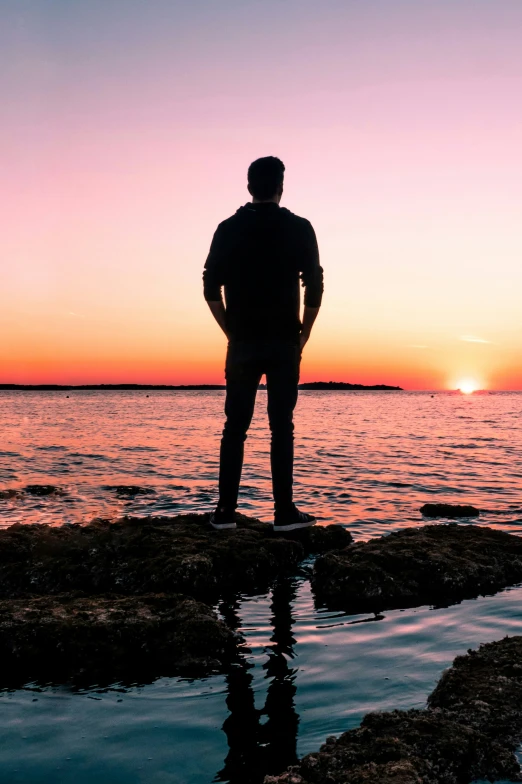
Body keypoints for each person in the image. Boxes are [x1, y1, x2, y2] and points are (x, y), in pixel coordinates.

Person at [203, 156, 323, 532]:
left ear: (249, 186)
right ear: (280, 186)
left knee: (234, 427)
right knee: (281, 426)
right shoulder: (300, 228)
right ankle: (284, 512)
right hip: (285, 340)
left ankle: (224, 513)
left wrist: (230, 331)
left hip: (242, 342)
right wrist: (304, 332)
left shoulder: (228, 228)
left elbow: (210, 286)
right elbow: (315, 285)